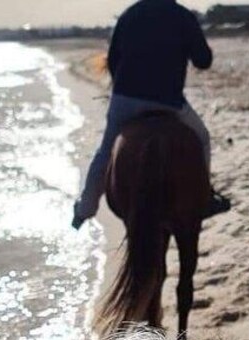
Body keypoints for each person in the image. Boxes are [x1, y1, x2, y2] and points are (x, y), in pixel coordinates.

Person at [71, 0, 231, 230]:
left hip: (125, 99)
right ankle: (204, 198)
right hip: (168, 101)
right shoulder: (182, 15)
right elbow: (203, 61)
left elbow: (113, 60)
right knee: (201, 138)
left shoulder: (130, 14)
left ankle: (85, 209)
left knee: (106, 151)